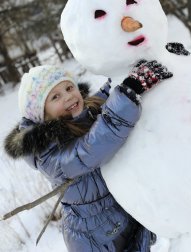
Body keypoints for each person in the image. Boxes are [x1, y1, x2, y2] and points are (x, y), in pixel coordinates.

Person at [4, 60, 172, 252]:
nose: (68, 96)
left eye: (69, 87)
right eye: (55, 97)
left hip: (117, 216)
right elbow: (91, 147)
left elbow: (106, 98)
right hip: (92, 238)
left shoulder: (83, 113)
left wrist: (126, 72)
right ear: (43, 116)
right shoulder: (47, 155)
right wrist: (127, 93)